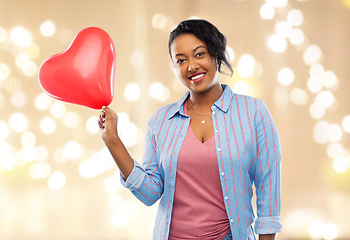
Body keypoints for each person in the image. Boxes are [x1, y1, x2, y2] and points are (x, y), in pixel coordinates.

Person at [98, 19, 282, 240]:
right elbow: (150, 193)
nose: (191, 66)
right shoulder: (161, 121)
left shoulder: (254, 113)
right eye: (181, 60)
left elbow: (268, 190)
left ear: (217, 54)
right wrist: (112, 141)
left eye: (199, 54)